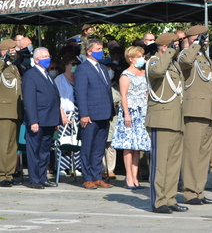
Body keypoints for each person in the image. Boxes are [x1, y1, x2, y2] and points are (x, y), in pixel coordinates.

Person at [146, 32, 188, 213]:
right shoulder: (154, 62)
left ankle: (170, 198)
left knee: (173, 164)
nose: (177, 47)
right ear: (165, 47)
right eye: (174, 44)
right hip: (161, 119)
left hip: (175, 119)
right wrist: (168, 53)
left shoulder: (173, 64)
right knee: (160, 163)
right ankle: (158, 201)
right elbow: (157, 72)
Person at [178, 26, 212, 205]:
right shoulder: (186, 53)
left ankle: (199, 191)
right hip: (194, 111)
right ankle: (189, 192)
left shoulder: (204, 56)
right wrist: (194, 44)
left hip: (208, 110)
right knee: (191, 154)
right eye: (203, 37)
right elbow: (184, 61)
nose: (206, 40)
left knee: (203, 155)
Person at [74, 39, 116, 189]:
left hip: (104, 114)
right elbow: (81, 93)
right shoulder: (82, 69)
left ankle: (97, 176)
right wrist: (84, 114)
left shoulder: (103, 68)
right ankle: (87, 178)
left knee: (99, 148)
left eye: (102, 48)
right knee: (88, 148)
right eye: (98, 48)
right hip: (90, 115)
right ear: (89, 51)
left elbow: (107, 91)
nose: (101, 51)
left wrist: (111, 112)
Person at [20, 47, 61, 189]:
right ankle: (34, 179)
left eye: (48, 56)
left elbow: (55, 98)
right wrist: (34, 121)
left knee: (45, 151)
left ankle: (43, 177)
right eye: (44, 56)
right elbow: (30, 100)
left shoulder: (47, 74)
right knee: (34, 151)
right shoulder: (31, 75)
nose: (47, 59)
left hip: (49, 119)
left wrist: (57, 120)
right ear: (36, 60)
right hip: (38, 120)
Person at [110, 46, 150, 190]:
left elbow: (147, 93)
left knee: (137, 146)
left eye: (142, 55)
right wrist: (127, 114)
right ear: (131, 59)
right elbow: (123, 96)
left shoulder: (145, 73)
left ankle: (136, 177)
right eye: (139, 56)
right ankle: (129, 177)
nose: (142, 58)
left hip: (142, 112)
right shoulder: (125, 75)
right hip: (130, 113)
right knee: (128, 145)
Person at [0, 40, 23, 188]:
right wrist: (2, 59)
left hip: (15, 110)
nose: (14, 51)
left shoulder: (13, 67)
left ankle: (9, 173)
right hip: (3, 111)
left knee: (11, 146)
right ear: (4, 51)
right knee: (2, 145)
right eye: (12, 49)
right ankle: (0, 175)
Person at [54, 54, 82, 177]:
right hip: (65, 113)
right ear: (66, 65)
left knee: (77, 141)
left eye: (77, 64)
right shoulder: (59, 80)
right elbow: (56, 99)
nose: (75, 67)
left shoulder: (79, 78)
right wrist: (62, 116)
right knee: (63, 141)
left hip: (78, 114)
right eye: (73, 64)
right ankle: (62, 167)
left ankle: (75, 167)